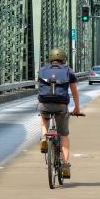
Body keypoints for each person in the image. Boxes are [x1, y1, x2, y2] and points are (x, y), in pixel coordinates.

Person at [37, 48, 82, 179]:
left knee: (44, 118)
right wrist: (77, 108)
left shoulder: (42, 70)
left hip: (44, 103)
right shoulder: (68, 71)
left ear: (50, 58)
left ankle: (44, 138)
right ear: (63, 58)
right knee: (64, 135)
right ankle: (65, 165)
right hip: (61, 105)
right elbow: (74, 92)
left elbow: (40, 88)